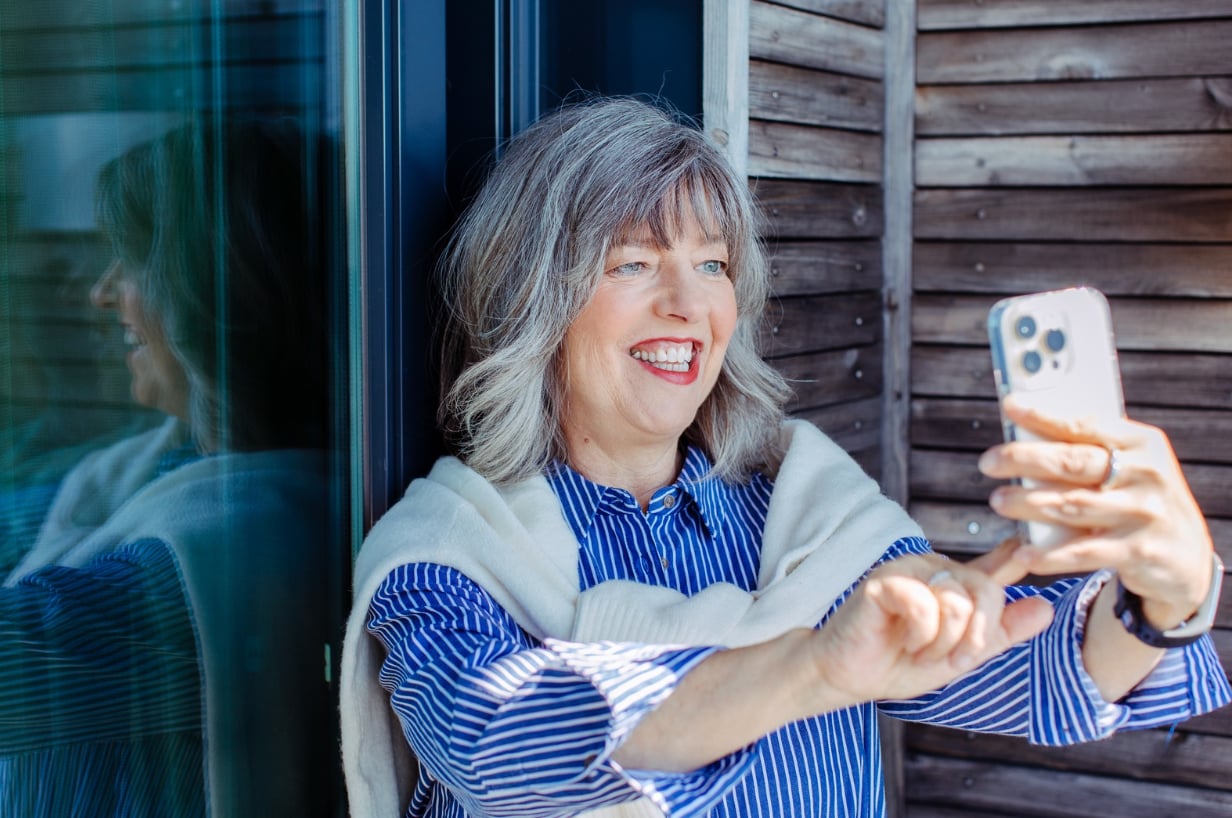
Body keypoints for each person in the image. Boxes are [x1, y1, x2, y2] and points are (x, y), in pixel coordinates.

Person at [340, 97, 1230, 818]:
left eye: (714, 264)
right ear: (530, 298)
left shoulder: (800, 516)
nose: (690, 305)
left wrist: (1169, 596)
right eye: (635, 265)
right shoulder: (448, 554)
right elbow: (498, 740)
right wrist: (812, 667)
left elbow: (1033, 675)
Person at [0, 119, 340, 817]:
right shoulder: (163, 465)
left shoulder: (237, 550)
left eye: (129, 264)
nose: (101, 293)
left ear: (206, 295)